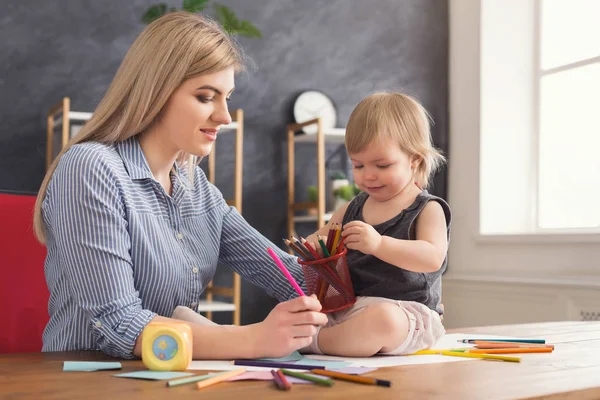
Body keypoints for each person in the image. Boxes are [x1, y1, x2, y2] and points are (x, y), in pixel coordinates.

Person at [33, 12, 327, 360]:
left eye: (227, 98)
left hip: (164, 381)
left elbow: (289, 277)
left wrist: (369, 241)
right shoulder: (91, 169)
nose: (225, 116)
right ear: (155, 92)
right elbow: (120, 323)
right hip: (84, 382)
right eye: (205, 97)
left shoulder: (195, 187)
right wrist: (253, 339)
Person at [303, 92, 451, 357]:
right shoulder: (354, 207)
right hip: (350, 307)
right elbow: (321, 238)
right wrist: (313, 247)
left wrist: (379, 244)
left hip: (406, 313)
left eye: (382, 165)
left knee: (383, 320)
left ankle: (316, 342)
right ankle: (325, 337)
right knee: (297, 308)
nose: (368, 175)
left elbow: (432, 258)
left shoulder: (427, 209)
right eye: (358, 165)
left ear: (414, 159)